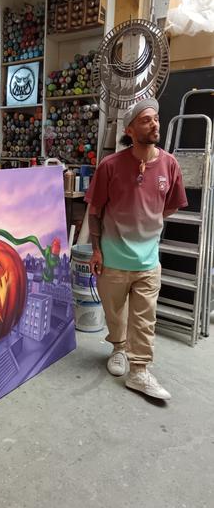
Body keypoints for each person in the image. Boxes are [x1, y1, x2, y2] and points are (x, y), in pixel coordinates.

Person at [85, 98, 188, 401]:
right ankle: (118, 348)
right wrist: (96, 250)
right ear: (129, 130)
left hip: (148, 260)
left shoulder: (169, 164)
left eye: (155, 118)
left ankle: (140, 371)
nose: (154, 124)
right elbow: (95, 210)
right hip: (112, 258)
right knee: (115, 313)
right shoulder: (110, 166)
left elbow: (170, 206)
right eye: (145, 120)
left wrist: (147, 224)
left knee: (145, 318)